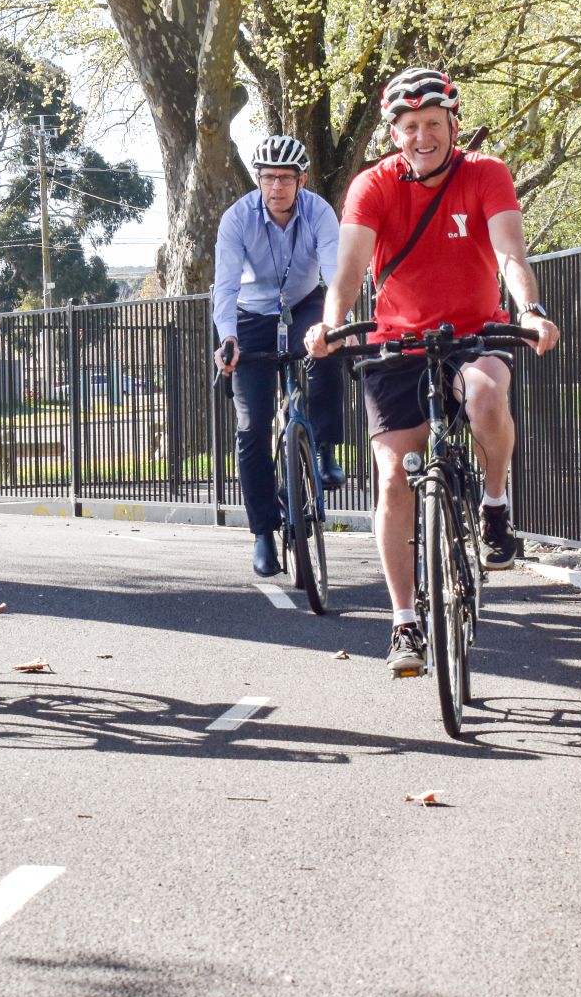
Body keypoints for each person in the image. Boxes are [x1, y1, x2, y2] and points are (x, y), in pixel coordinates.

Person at [304, 68, 561, 676]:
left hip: (474, 333)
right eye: (411, 126)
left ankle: (494, 505)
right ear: (396, 134)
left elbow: (509, 253)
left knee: (484, 399)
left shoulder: (485, 174)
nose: (424, 136)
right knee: (393, 477)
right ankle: (403, 621)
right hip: (398, 344)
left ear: (453, 127)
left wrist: (530, 310)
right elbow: (348, 271)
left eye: (434, 125)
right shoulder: (372, 187)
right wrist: (329, 322)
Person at [211, 134, 346, 577]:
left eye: (285, 179)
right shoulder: (236, 219)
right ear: (258, 180)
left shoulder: (319, 212)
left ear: (301, 180)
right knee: (250, 427)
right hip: (252, 316)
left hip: (305, 302)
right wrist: (228, 339)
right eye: (268, 178)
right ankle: (263, 533)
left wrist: (331, 323)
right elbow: (226, 288)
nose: (276, 188)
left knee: (328, 349)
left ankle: (324, 449)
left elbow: (333, 269)